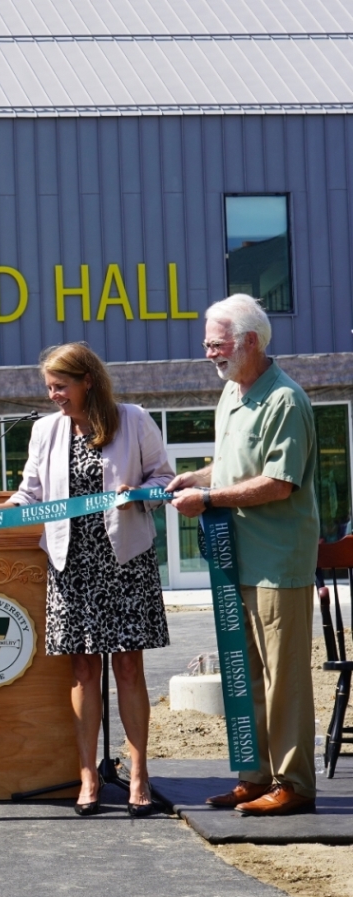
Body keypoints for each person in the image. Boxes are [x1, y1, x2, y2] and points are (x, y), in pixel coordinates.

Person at [0, 343, 173, 817]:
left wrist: (138, 494)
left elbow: (166, 481)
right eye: (49, 388)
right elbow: (31, 493)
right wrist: (4, 510)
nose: (53, 396)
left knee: (128, 668)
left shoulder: (135, 419)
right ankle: (87, 776)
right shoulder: (45, 430)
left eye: (60, 386)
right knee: (82, 670)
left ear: (88, 381)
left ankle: (139, 774)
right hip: (70, 567)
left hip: (124, 563)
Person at [168, 294, 320, 816]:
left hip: (279, 562)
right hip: (238, 558)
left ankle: (294, 784)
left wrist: (207, 499)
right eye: (208, 344)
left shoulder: (286, 400)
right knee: (247, 674)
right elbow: (237, 466)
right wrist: (198, 477)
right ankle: (255, 778)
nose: (208, 353)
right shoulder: (232, 394)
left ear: (248, 342)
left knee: (285, 682)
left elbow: (278, 482)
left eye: (216, 343)